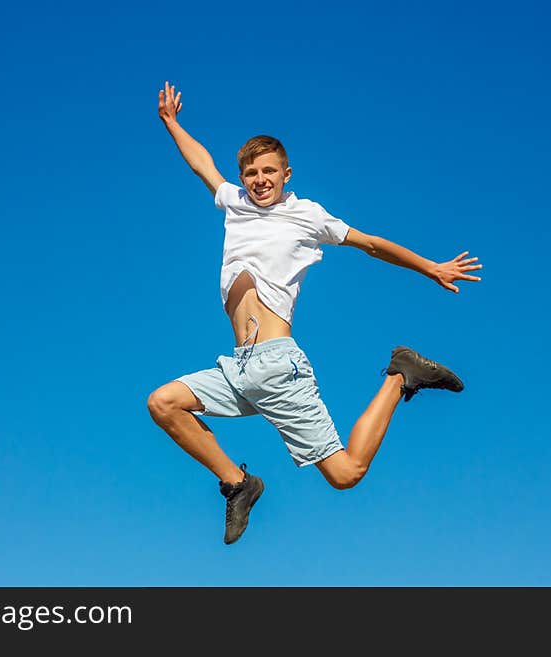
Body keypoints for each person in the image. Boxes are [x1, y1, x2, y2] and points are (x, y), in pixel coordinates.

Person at [148, 81, 483, 544]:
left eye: (269, 171)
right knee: (163, 403)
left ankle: (400, 375)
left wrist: (430, 267)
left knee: (345, 474)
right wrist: (171, 122)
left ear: (286, 174)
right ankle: (238, 485)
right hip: (238, 368)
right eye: (250, 172)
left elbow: (369, 244)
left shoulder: (308, 215)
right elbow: (201, 163)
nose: (259, 180)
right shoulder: (234, 203)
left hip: (276, 365)